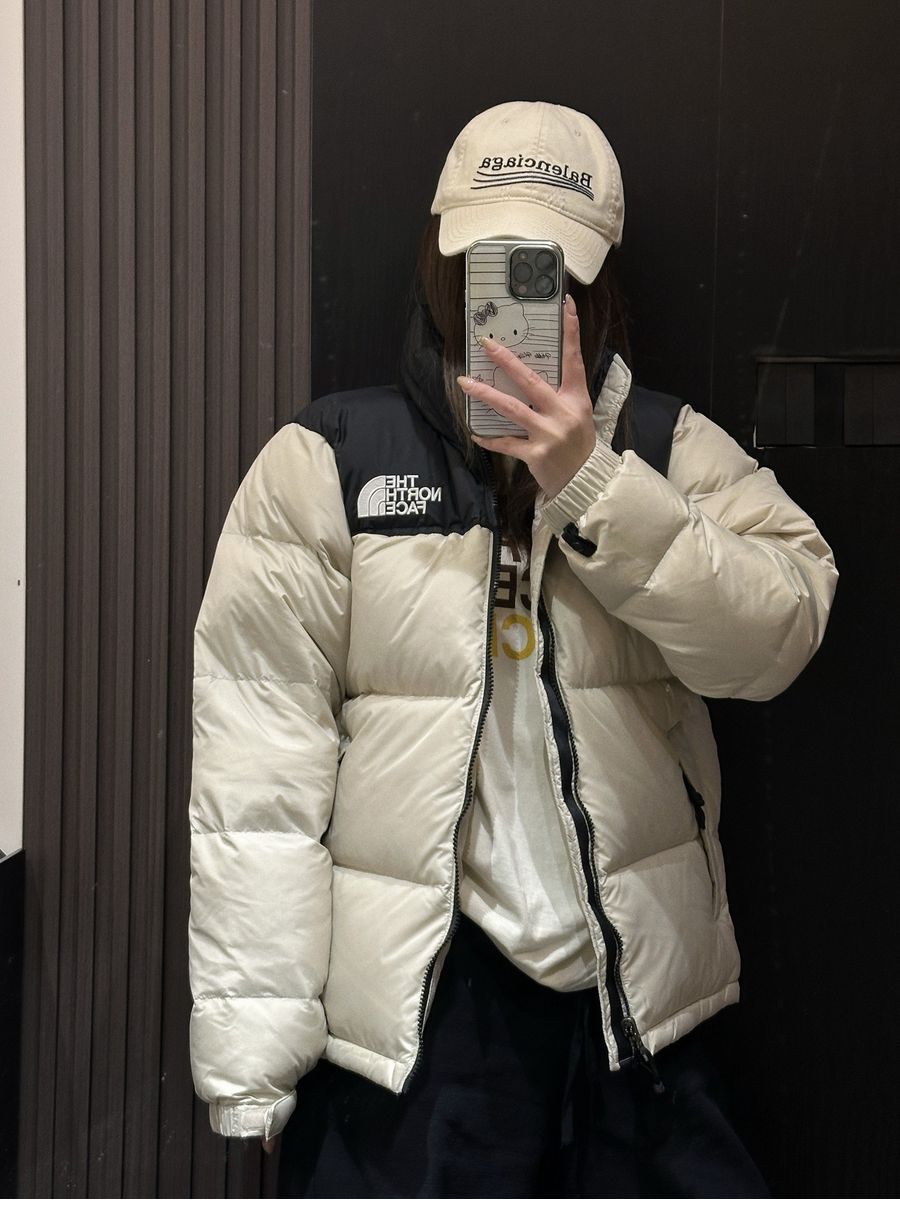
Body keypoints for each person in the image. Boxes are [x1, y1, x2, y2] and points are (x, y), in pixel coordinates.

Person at [187, 100, 838, 1196]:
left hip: (640, 999)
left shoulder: (665, 449)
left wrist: (593, 481)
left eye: (550, 272)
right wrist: (254, 1060)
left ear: (596, 284)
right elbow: (257, 779)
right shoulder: (329, 463)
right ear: (444, 265)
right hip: (423, 1016)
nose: (519, 299)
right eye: (491, 265)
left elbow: (780, 633)